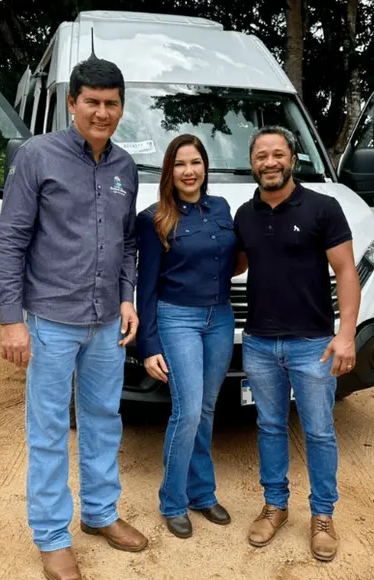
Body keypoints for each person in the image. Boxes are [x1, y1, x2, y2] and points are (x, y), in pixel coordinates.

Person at [0, 56, 148, 580]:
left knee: (105, 420)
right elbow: (10, 238)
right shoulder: (38, 156)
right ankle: (53, 536)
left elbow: (128, 244)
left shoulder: (126, 167)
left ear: (122, 107)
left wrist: (127, 297)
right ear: (71, 104)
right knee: (50, 428)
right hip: (51, 321)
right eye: (92, 102)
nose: (102, 112)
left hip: (106, 322)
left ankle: (101, 514)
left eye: (111, 103)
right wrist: (11, 319)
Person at [233, 126, 360, 562]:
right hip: (260, 343)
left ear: (293, 159)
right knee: (269, 427)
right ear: (252, 163)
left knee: (320, 432)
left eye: (277, 154)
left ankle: (322, 515)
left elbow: (346, 272)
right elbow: (237, 263)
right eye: (261, 156)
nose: (270, 162)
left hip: (313, 344)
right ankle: (275, 506)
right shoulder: (245, 215)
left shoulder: (324, 208)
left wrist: (346, 336)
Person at [135, 134, 237, 539]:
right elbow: (146, 286)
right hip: (177, 318)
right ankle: (173, 501)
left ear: (205, 167)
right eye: (180, 164)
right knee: (188, 409)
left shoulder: (223, 208)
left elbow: (235, 260)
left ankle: (202, 493)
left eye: (195, 162)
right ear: (169, 170)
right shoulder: (155, 218)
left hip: (221, 317)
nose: (189, 171)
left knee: (207, 409)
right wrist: (149, 345)